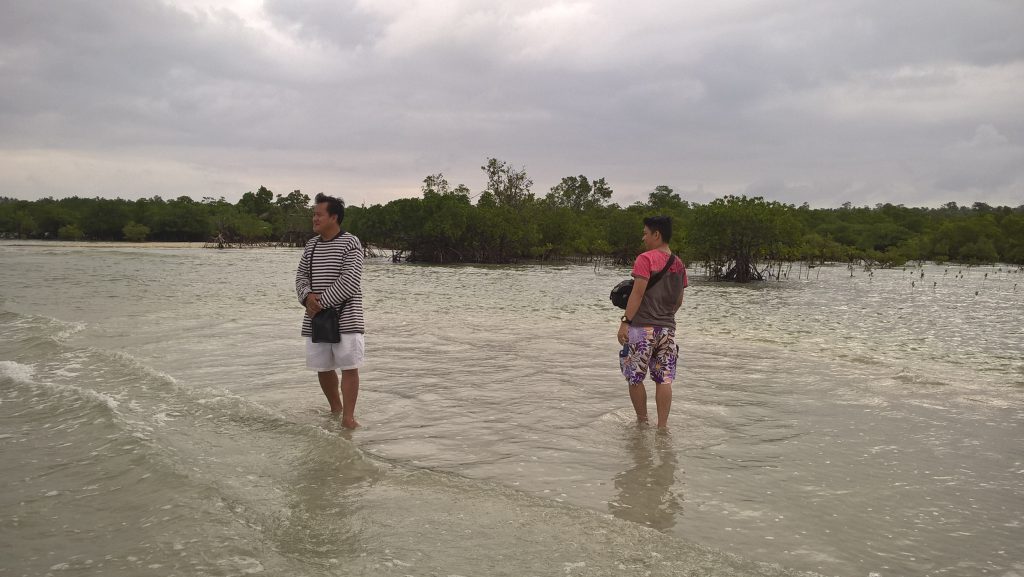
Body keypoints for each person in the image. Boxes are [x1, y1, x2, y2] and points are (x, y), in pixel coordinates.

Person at [295, 193, 365, 428]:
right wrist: (306, 298)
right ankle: (336, 409)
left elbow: (350, 281)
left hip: (346, 317)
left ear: (334, 217)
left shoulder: (351, 242)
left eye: (318, 214)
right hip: (316, 318)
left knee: (348, 367)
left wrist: (320, 302)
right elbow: (301, 276)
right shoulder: (311, 245)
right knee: (322, 368)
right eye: (313, 214)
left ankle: (348, 418)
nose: (314, 218)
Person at [617, 216, 688, 429]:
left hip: (642, 328)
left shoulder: (645, 259)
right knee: (664, 379)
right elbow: (679, 301)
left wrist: (625, 321)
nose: (643, 237)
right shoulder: (679, 263)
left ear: (657, 235)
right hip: (668, 329)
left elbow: (637, 294)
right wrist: (665, 317)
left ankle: (642, 422)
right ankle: (662, 427)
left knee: (634, 377)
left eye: (646, 233)